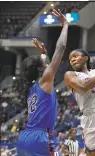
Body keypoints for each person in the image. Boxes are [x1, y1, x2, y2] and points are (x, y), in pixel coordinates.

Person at [16, 9, 68, 156]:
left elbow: (46, 67)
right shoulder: (44, 81)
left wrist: (44, 54)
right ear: (41, 69)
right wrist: (65, 25)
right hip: (39, 139)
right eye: (46, 62)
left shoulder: (32, 88)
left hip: (24, 137)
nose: (48, 62)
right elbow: (61, 47)